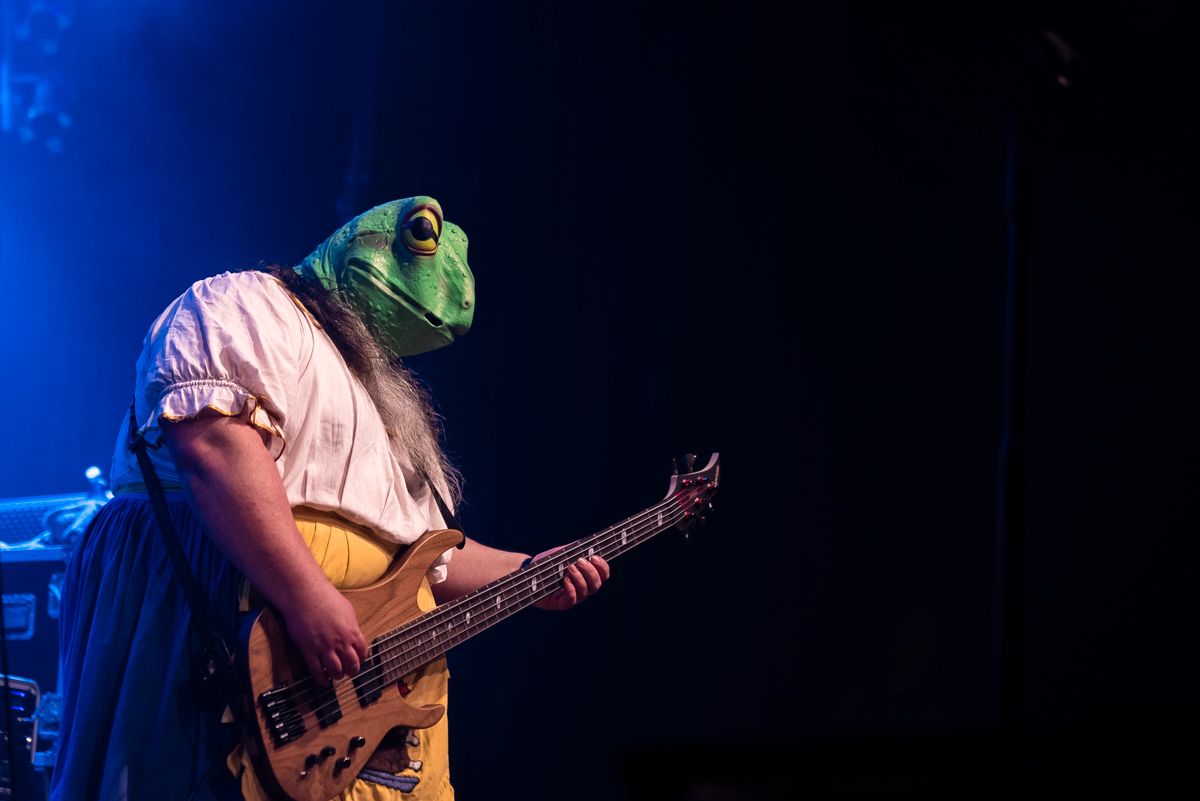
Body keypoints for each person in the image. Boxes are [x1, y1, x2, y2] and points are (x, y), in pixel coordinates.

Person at [50, 196, 609, 801]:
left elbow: (426, 554)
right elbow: (214, 443)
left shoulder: (380, 395)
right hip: (241, 639)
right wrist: (307, 595)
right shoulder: (249, 302)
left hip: (353, 708)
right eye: (423, 236)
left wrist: (529, 573)